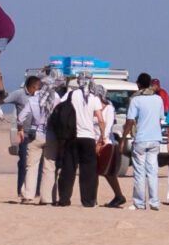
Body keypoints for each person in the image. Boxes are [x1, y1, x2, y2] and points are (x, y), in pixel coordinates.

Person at [48, 76, 102, 209]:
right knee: (88, 171)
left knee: (68, 169)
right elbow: (100, 119)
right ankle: (88, 201)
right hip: (89, 138)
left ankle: (64, 199)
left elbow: (58, 108)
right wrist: (102, 137)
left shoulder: (70, 94)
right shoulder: (94, 98)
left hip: (72, 137)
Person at [124, 74, 167, 210]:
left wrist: (124, 137)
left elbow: (130, 120)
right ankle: (154, 202)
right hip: (155, 139)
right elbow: (161, 117)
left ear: (138, 84)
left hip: (141, 139)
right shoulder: (158, 99)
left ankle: (139, 202)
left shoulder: (136, 100)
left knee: (139, 172)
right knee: (152, 172)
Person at [6, 73, 48, 202]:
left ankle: (35, 191)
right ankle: (21, 191)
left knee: (39, 165)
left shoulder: (41, 97)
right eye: (37, 87)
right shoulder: (19, 94)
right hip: (24, 134)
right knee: (24, 163)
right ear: (31, 87)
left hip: (39, 134)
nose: (38, 90)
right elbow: (4, 100)